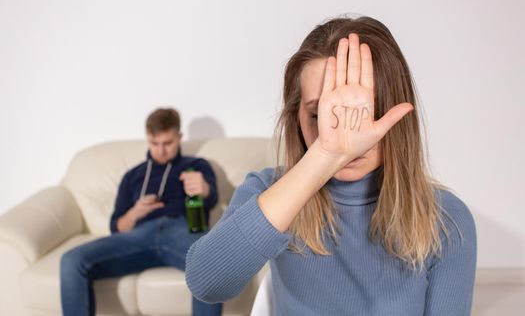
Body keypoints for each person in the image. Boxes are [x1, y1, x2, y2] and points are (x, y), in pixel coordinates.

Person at [185, 17, 476, 315]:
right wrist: (326, 154)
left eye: (366, 113)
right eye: (318, 115)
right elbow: (207, 283)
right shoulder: (269, 190)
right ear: (295, 118)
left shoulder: (447, 219)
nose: (347, 135)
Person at [60, 107, 223, 316]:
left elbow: (212, 198)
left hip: (182, 230)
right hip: (139, 235)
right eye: (154, 144)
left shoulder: (196, 165)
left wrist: (205, 189)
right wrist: (134, 213)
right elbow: (116, 226)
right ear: (147, 139)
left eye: (168, 143)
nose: (161, 151)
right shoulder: (133, 175)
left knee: (212, 263)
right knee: (71, 261)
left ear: (179, 137)